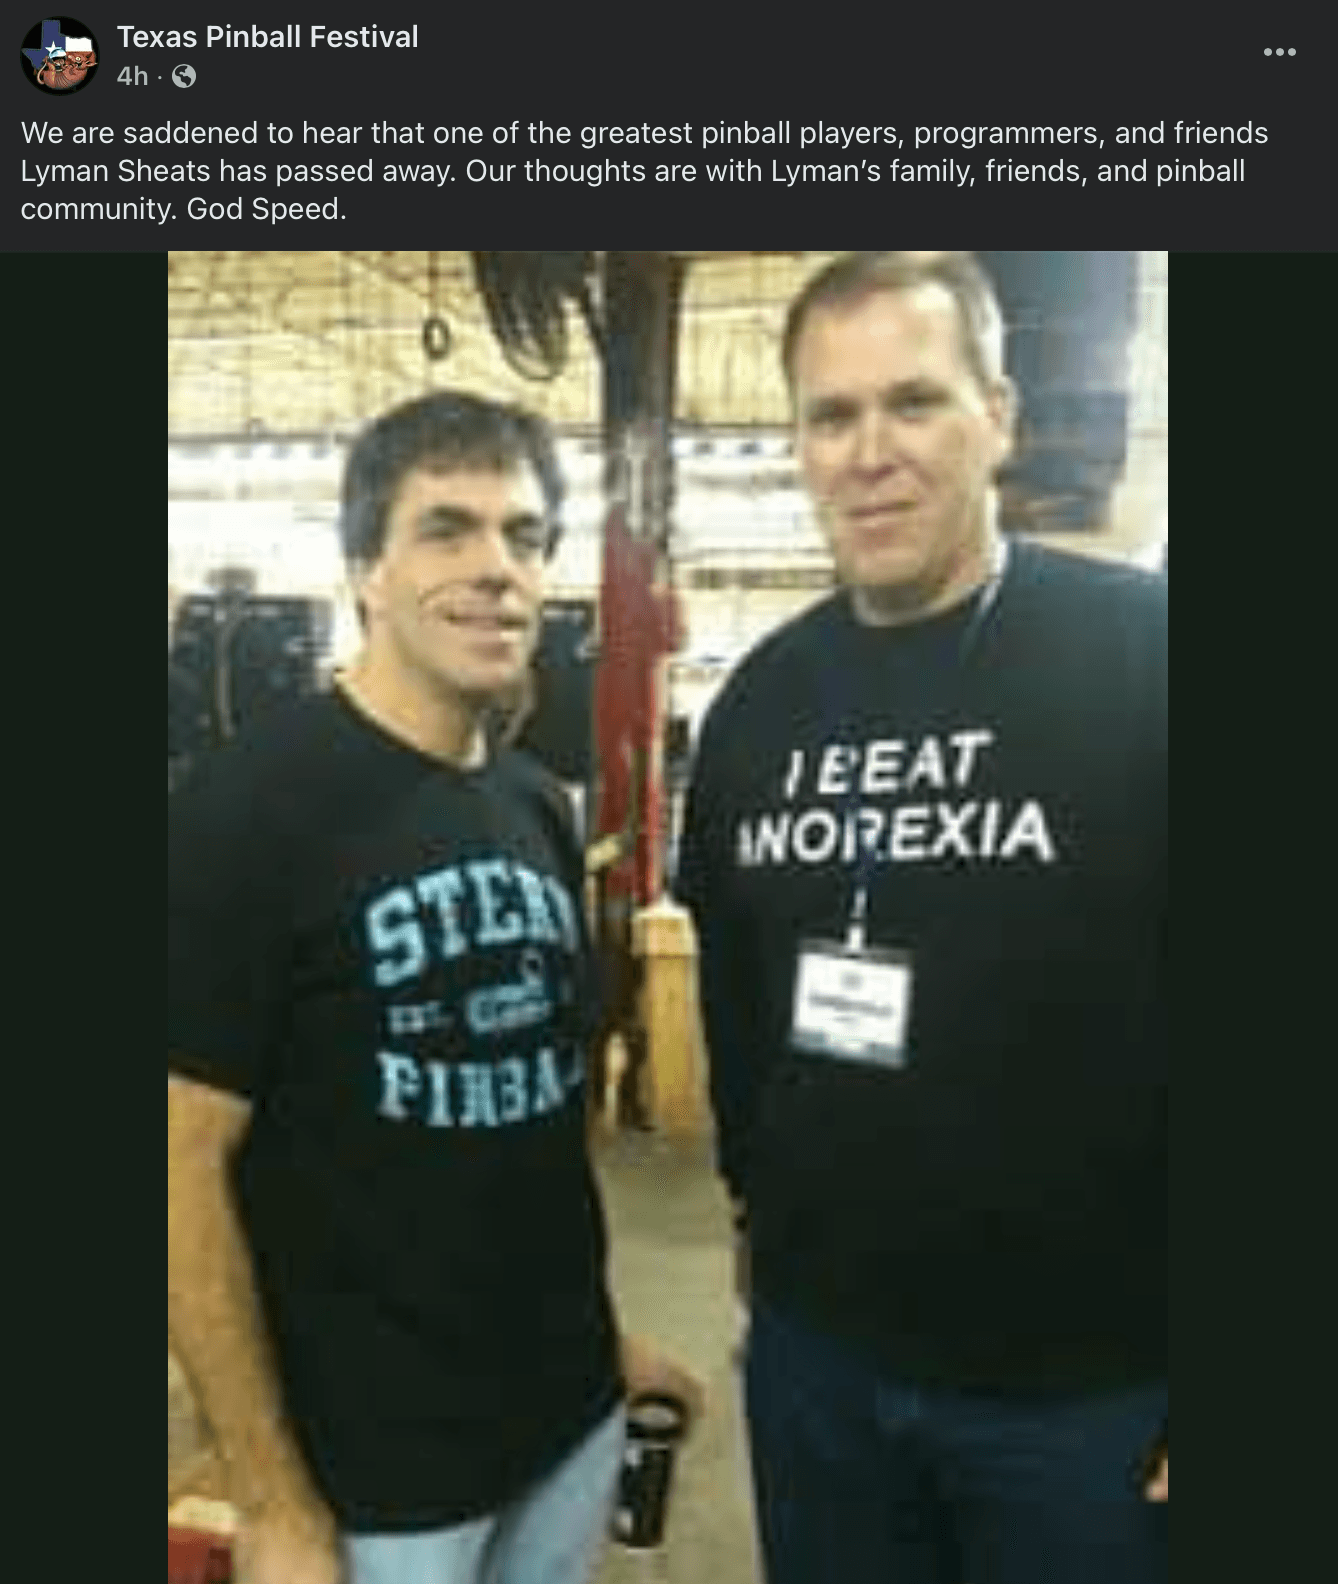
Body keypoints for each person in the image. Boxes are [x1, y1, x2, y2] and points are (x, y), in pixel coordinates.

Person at [675, 252, 1166, 1584]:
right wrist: (753, 1218)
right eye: (830, 416)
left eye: (914, 401)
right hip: (819, 1364)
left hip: (1088, 1387)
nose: (869, 452)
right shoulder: (757, 706)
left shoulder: (1146, 656)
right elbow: (736, 998)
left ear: (996, 416)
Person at [169, 390, 700, 1584]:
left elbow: (540, 1125)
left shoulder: (534, 807)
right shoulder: (244, 816)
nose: (497, 568)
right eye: (446, 528)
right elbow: (175, 1167)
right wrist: (271, 1497)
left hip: (564, 1422)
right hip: (377, 1476)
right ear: (366, 568)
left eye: (525, 535)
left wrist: (605, 1340)